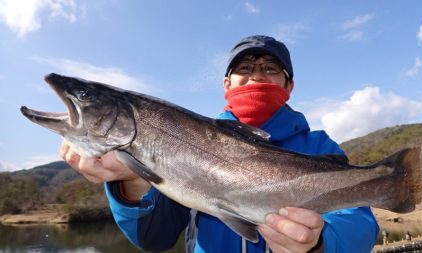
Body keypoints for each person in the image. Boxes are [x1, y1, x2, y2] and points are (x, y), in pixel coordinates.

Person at [60, 35, 380, 253]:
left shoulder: (320, 147)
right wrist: (131, 182)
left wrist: (320, 245)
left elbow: (360, 226)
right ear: (226, 83)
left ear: (290, 85)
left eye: (270, 68)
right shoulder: (183, 145)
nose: (256, 76)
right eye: (244, 68)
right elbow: (153, 239)